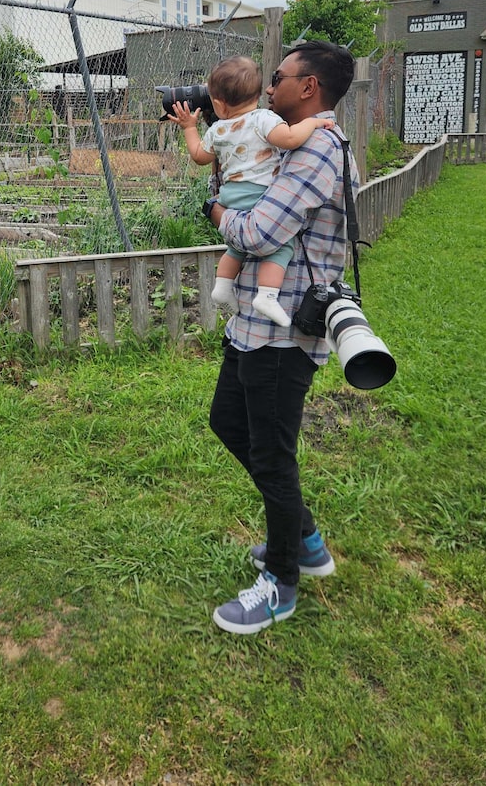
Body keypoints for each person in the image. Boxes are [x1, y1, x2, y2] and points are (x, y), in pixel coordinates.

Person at [203, 40, 357, 635]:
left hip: (284, 331)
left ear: (309, 86)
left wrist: (215, 210)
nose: (269, 88)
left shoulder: (317, 146)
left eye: (279, 78)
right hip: (252, 321)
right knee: (228, 422)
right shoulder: (277, 139)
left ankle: (282, 583)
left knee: (272, 455)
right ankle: (306, 541)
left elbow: (260, 231)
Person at [168, 56, 333, 326]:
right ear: (258, 94)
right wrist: (313, 124)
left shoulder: (218, 129)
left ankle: (222, 286)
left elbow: (199, 156)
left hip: (230, 196)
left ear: (218, 104)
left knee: (235, 247)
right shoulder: (264, 119)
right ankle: (267, 296)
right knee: (282, 246)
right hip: (258, 193)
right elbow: (290, 139)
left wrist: (188, 127)